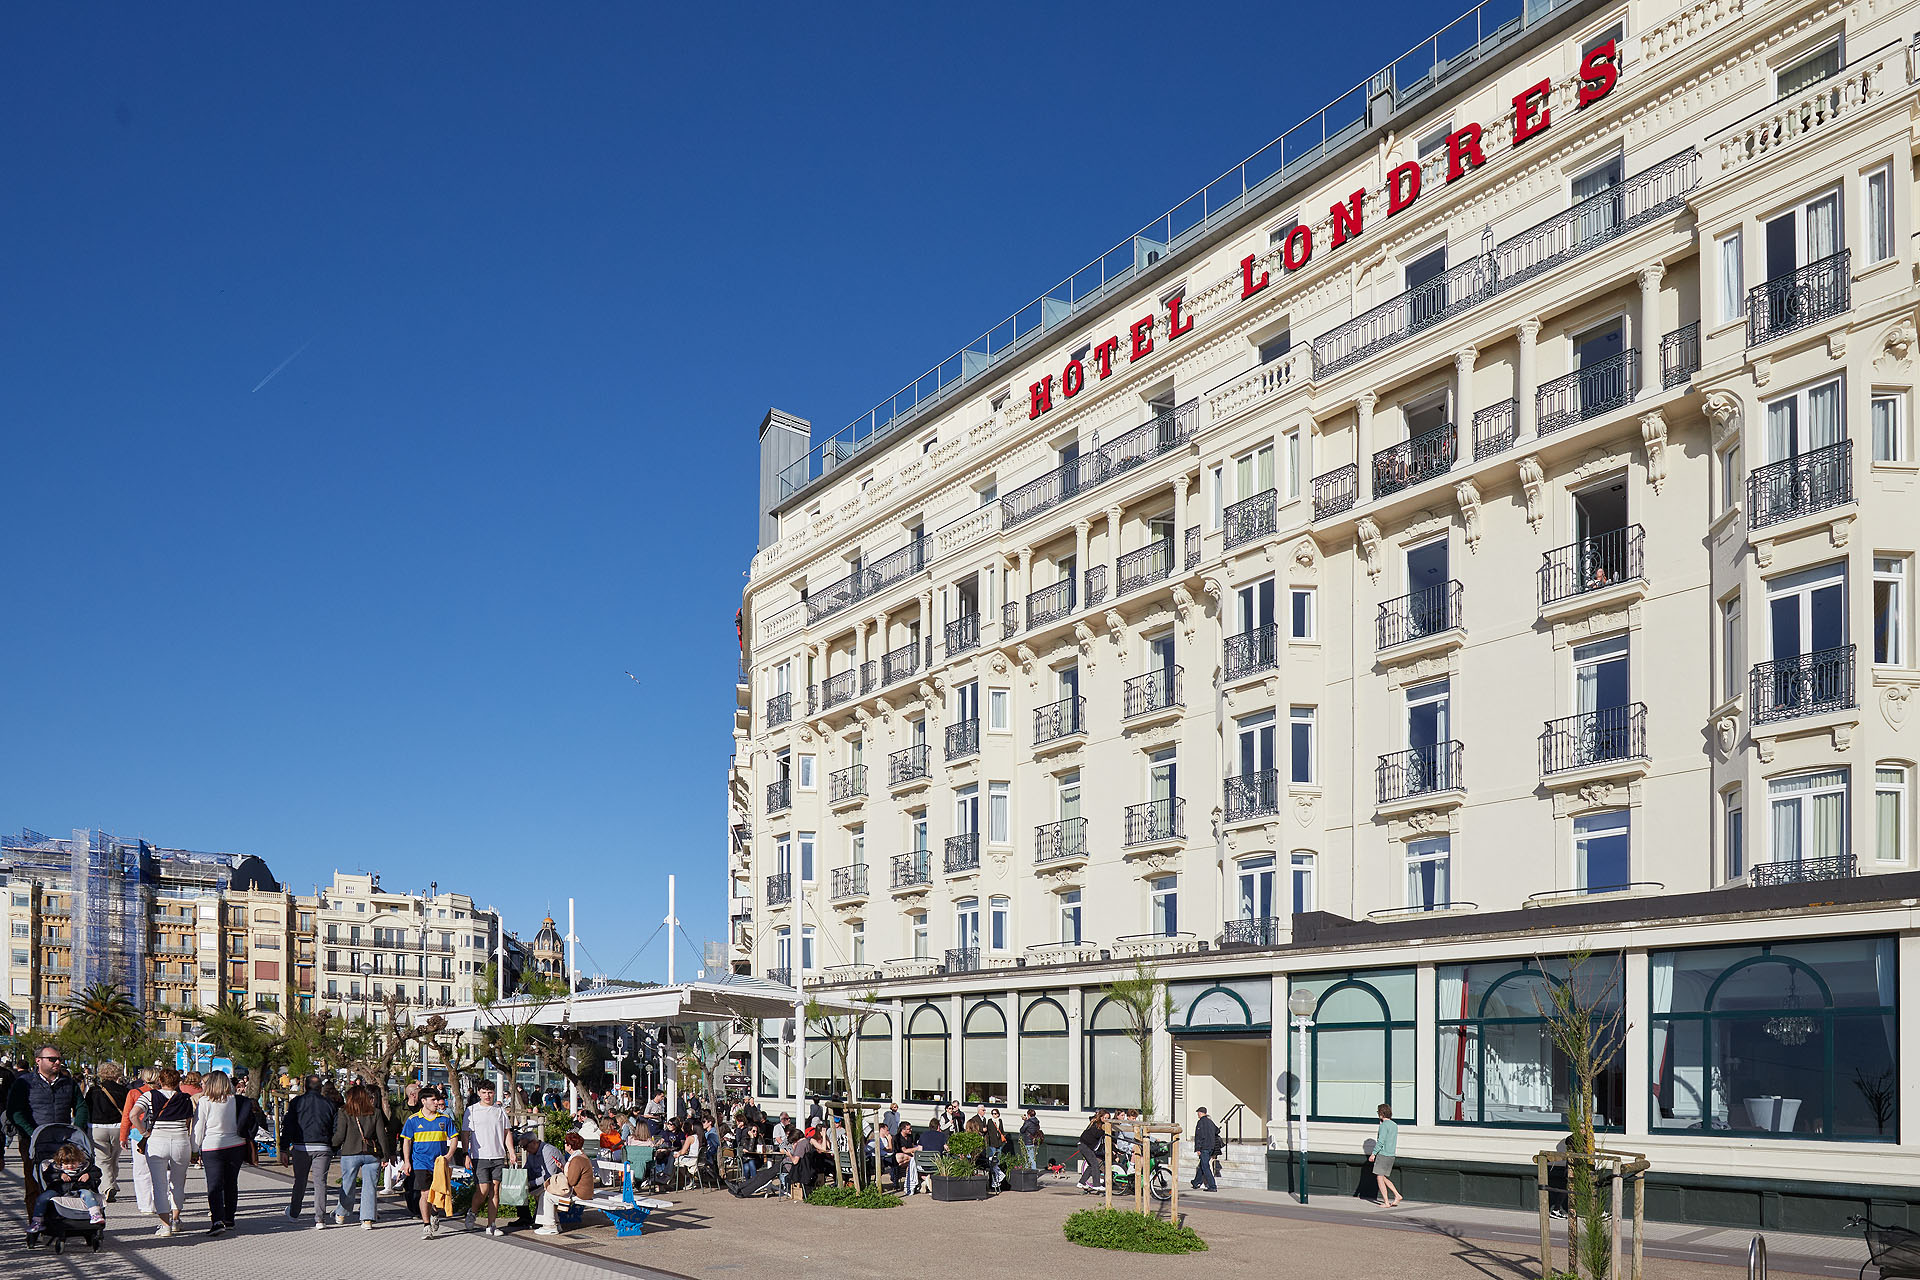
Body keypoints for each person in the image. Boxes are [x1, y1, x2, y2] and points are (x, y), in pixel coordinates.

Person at [8, 1042, 88, 1208]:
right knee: (34, 1185)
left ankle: (60, 1224)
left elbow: (81, 1107)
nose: (57, 1062)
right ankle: (36, 1227)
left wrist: (77, 1130)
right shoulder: (24, 1083)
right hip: (32, 1142)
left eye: (59, 1059)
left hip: (63, 1143)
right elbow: (14, 1112)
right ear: (38, 1060)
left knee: (63, 1184)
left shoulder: (68, 1084)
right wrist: (33, 1133)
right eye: (52, 1059)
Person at [191, 1070, 255, 1235]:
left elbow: (199, 1128)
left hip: (212, 1147)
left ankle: (217, 1220)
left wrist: (194, 1149)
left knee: (214, 1185)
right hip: (236, 1145)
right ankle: (230, 1218)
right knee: (231, 1183)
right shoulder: (237, 1101)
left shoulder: (205, 1101)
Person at [135, 1067, 193, 1236]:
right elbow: (188, 1121)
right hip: (180, 1141)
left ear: (160, 1081)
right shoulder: (185, 1098)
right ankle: (176, 1220)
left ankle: (164, 1225)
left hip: (157, 1141)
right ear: (178, 1082)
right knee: (178, 1182)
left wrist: (144, 1132)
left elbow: (133, 1114)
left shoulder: (149, 1095)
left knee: (159, 1185)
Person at [282, 1074, 339, 1227]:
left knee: (300, 1181)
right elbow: (336, 1127)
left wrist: (283, 1148)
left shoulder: (296, 1102)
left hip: (301, 1146)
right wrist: (333, 1147)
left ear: (305, 1087)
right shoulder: (329, 1104)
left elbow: (288, 1126)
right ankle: (320, 1218)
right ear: (320, 1088)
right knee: (320, 1182)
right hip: (323, 1146)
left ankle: (294, 1212)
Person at [462, 1081, 518, 1235]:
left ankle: (491, 1224)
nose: (487, 1095)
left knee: (495, 1190)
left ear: (494, 1093)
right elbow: (465, 1134)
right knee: (483, 1189)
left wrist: (511, 1152)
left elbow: (507, 1132)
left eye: (490, 1092)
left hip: (498, 1155)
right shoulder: (471, 1110)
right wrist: (466, 1154)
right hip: (479, 1157)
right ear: (479, 1093)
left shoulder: (500, 1111)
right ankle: (472, 1212)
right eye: (484, 1092)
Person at [401, 1087, 458, 1239]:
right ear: (423, 1101)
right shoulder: (413, 1120)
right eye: (433, 1100)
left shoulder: (444, 1119)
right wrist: (407, 1162)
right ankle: (426, 1225)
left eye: (437, 1100)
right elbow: (406, 1141)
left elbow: (454, 1138)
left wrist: (448, 1155)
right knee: (425, 1193)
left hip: (439, 1164)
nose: (437, 1103)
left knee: (438, 1194)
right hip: (420, 1163)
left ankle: (434, 1212)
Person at [333, 1084, 391, 1229]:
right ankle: (367, 1219)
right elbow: (382, 1136)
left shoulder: (344, 1111)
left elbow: (340, 1135)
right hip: (372, 1154)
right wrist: (385, 1156)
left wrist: (331, 1144)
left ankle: (341, 1214)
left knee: (348, 1184)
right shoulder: (375, 1112)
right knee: (370, 1187)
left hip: (350, 1152)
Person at [26, 1140, 104, 1245]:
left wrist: (88, 1175)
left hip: (79, 1188)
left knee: (88, 1194)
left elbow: (97, 1172)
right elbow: (47, 1175)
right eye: (67, 1163)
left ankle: (95, 1214)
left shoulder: (86, 1166)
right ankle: (37, 1220)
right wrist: (59, 1176)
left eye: (73, 1163)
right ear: (60, 1162)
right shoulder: (55, 1168)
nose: (70, 1166)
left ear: (79, 1161)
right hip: (59, 1189)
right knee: (42, 1198)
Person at [83, 1061, 130, 1204]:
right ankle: (112, 1183)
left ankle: (107, 1187)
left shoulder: (93, 1090)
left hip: (97, 1127)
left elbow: (86, 1108)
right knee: (114, 1158)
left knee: (102, 1159)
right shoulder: (123, 1090)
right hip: (118, 1127)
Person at [533, 1133, 595, 1236]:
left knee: (547, 1196)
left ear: (570, 1146)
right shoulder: (579, 1156)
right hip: (581, 1191)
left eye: (566, 1143)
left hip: (579, 1193)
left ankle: (550, 1226)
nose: (564, 1144)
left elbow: (571, 1181)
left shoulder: (577, 1159)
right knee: (545, 1194)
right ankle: (555, 1224)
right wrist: (562, 1168)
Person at [119, 1066, 159, 1214]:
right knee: (160, 1170)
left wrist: (123, 1136)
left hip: (138, 1133)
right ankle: (160, 1201)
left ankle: (146, 1205)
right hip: (158, 1132)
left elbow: (127, 1116)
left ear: (142, 1077)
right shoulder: (162, 1093)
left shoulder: (134, 1093)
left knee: (141, 1171)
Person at [1372, 1103, 1403, 1208]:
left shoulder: (1383, 1126)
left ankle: (1386, 1202)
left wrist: (1373, 1154)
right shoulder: (1394, 1125)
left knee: (1379, 1177)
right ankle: (1397, 1195)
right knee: (1382, 1176)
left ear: (1381, 1113)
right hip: (1391, 1154)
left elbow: (1381, 1141)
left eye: (1378, 1112)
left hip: (1383, 1154)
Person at [1189, 1106, 1219, 1192]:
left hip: (1204, 1147)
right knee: (1202, 1164)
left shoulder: (1201, 1122)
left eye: (1198, 1112)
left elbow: (1199, 1136)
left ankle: (1212, 1186)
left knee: (1205, 1167)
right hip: (1211, 1147)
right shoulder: (1210, 1122)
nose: (1197, 1114)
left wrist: (1198, 1149)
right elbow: (1217, 1131)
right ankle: (1196, 1182)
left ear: (1201, 1113)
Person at [1075, 1114, 1107, 1192]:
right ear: (1101, 1117)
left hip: (1086, 1146)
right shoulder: (1096, 1125)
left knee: (1091, 1165)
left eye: (1108, 1118)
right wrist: (1104, 1131)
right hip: (1085, 1146)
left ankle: (1081, 1182)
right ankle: (1096, 1184)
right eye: (1105, 1118)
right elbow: (1096, 1134)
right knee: (1095, 1164)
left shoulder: (1098, 1124)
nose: (1107, 1120)